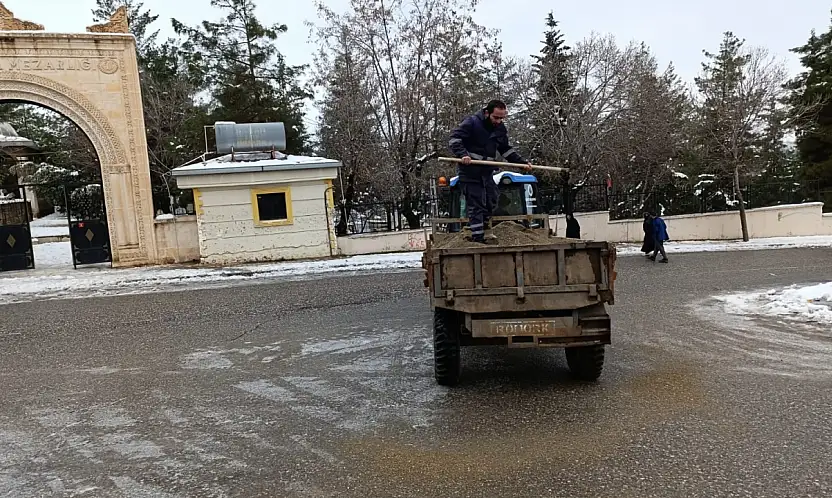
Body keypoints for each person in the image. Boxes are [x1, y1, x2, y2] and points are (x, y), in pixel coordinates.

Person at [449, 99, 532, 243]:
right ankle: (478, 236)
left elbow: (505, 150)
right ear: (487, 113)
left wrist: (521, 163)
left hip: (486, 171)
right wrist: (463, 154)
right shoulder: (472, 123)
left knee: (491, 199)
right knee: (476, 203)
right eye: (496, 117)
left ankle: (486, 229)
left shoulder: (499, 129)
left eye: (502, 118)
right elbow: (454, 139)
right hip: (470, 171)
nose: (499, 121)